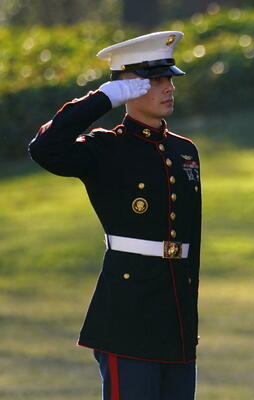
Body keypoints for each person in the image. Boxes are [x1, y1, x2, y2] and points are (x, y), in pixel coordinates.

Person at [29, 31, 201, 400]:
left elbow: (191, 239)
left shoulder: (184, 150)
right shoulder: (105, 147)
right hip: (127, 315)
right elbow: (45, 148)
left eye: (170, 79)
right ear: (129, 87)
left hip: (176, 318)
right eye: (156, 80)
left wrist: (189, 318)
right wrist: (104, 97)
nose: (169, 87)